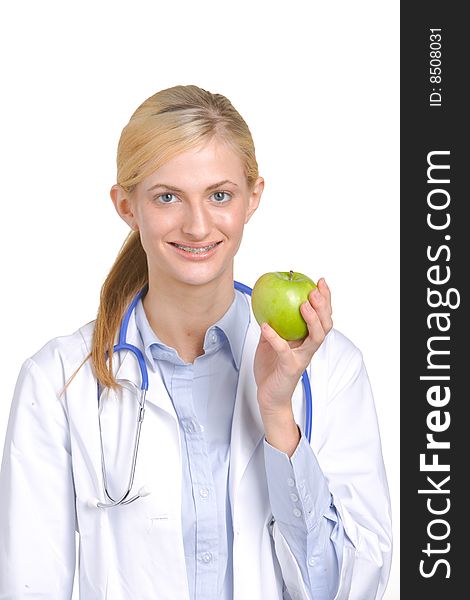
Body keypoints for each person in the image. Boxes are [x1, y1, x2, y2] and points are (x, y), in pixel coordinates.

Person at [0, 84, 392, 600]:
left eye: (220, 194)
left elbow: (347, 589)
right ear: (126, 205)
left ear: (254, 197)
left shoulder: (332, 369)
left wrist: (278, 415)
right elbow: (30, 586)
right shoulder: (58, 380)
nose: (197, 224)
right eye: (167, 197)